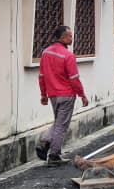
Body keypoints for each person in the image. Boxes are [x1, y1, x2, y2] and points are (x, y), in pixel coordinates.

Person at [36, 25, 89, 166]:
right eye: (70, 36)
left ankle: (47, 142)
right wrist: (82, 95)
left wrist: (43, 94)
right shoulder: (68, 55)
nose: (72, 38)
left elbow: (41, 76)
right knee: (61, 126)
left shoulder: (45, 53)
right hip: (66, 94)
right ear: (62, 38)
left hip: (53, 95)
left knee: (59, 122)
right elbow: (74, 78)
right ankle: (53, 154)